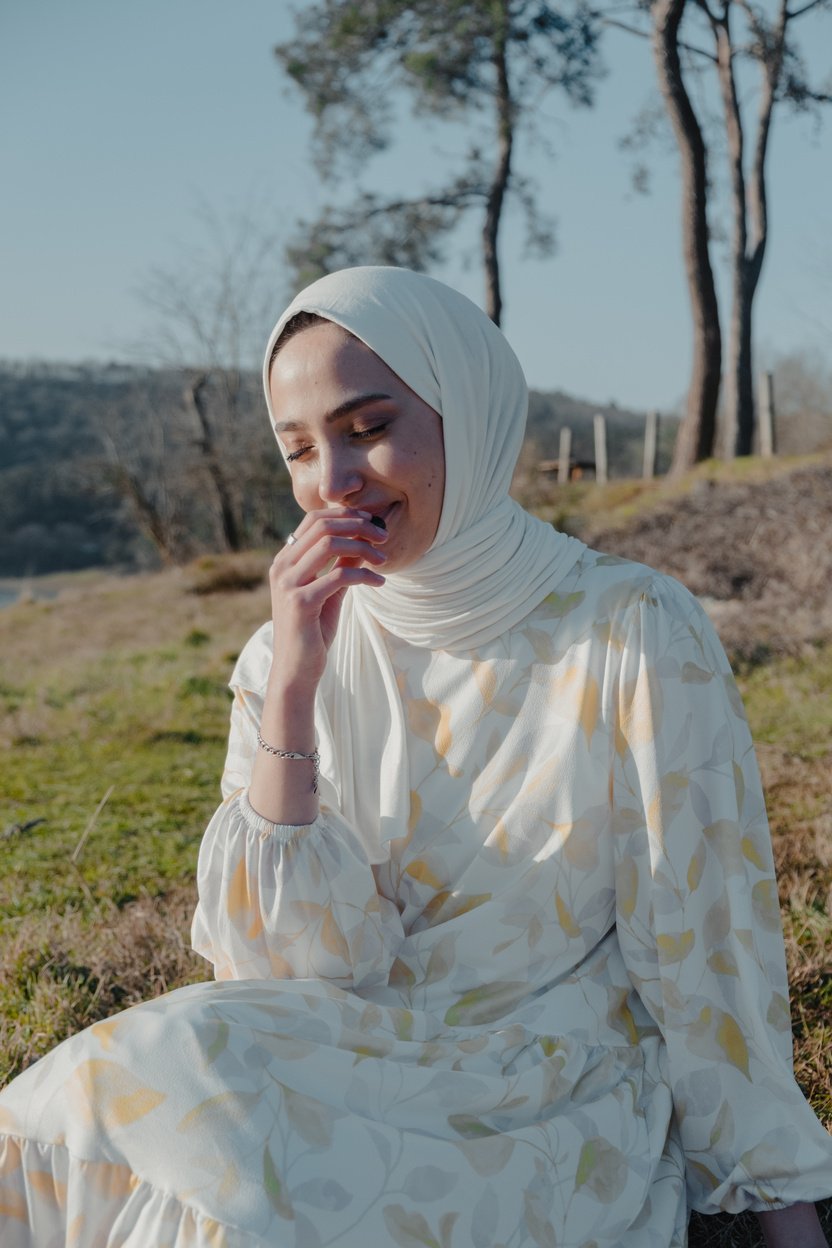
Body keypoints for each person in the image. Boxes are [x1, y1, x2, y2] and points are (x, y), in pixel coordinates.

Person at [0, 267, 830, 1248]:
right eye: (299, 449)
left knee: (259, 1216)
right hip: (350, 1053)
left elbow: (706, 944)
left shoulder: (631, 626)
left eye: (367, 427)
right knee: (76, 1105)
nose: (333, 482)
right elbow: (273, 974)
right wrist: (297, 690)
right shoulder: (285, 650)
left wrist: (779, 1209)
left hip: (549, 1088)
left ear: (466, 410)